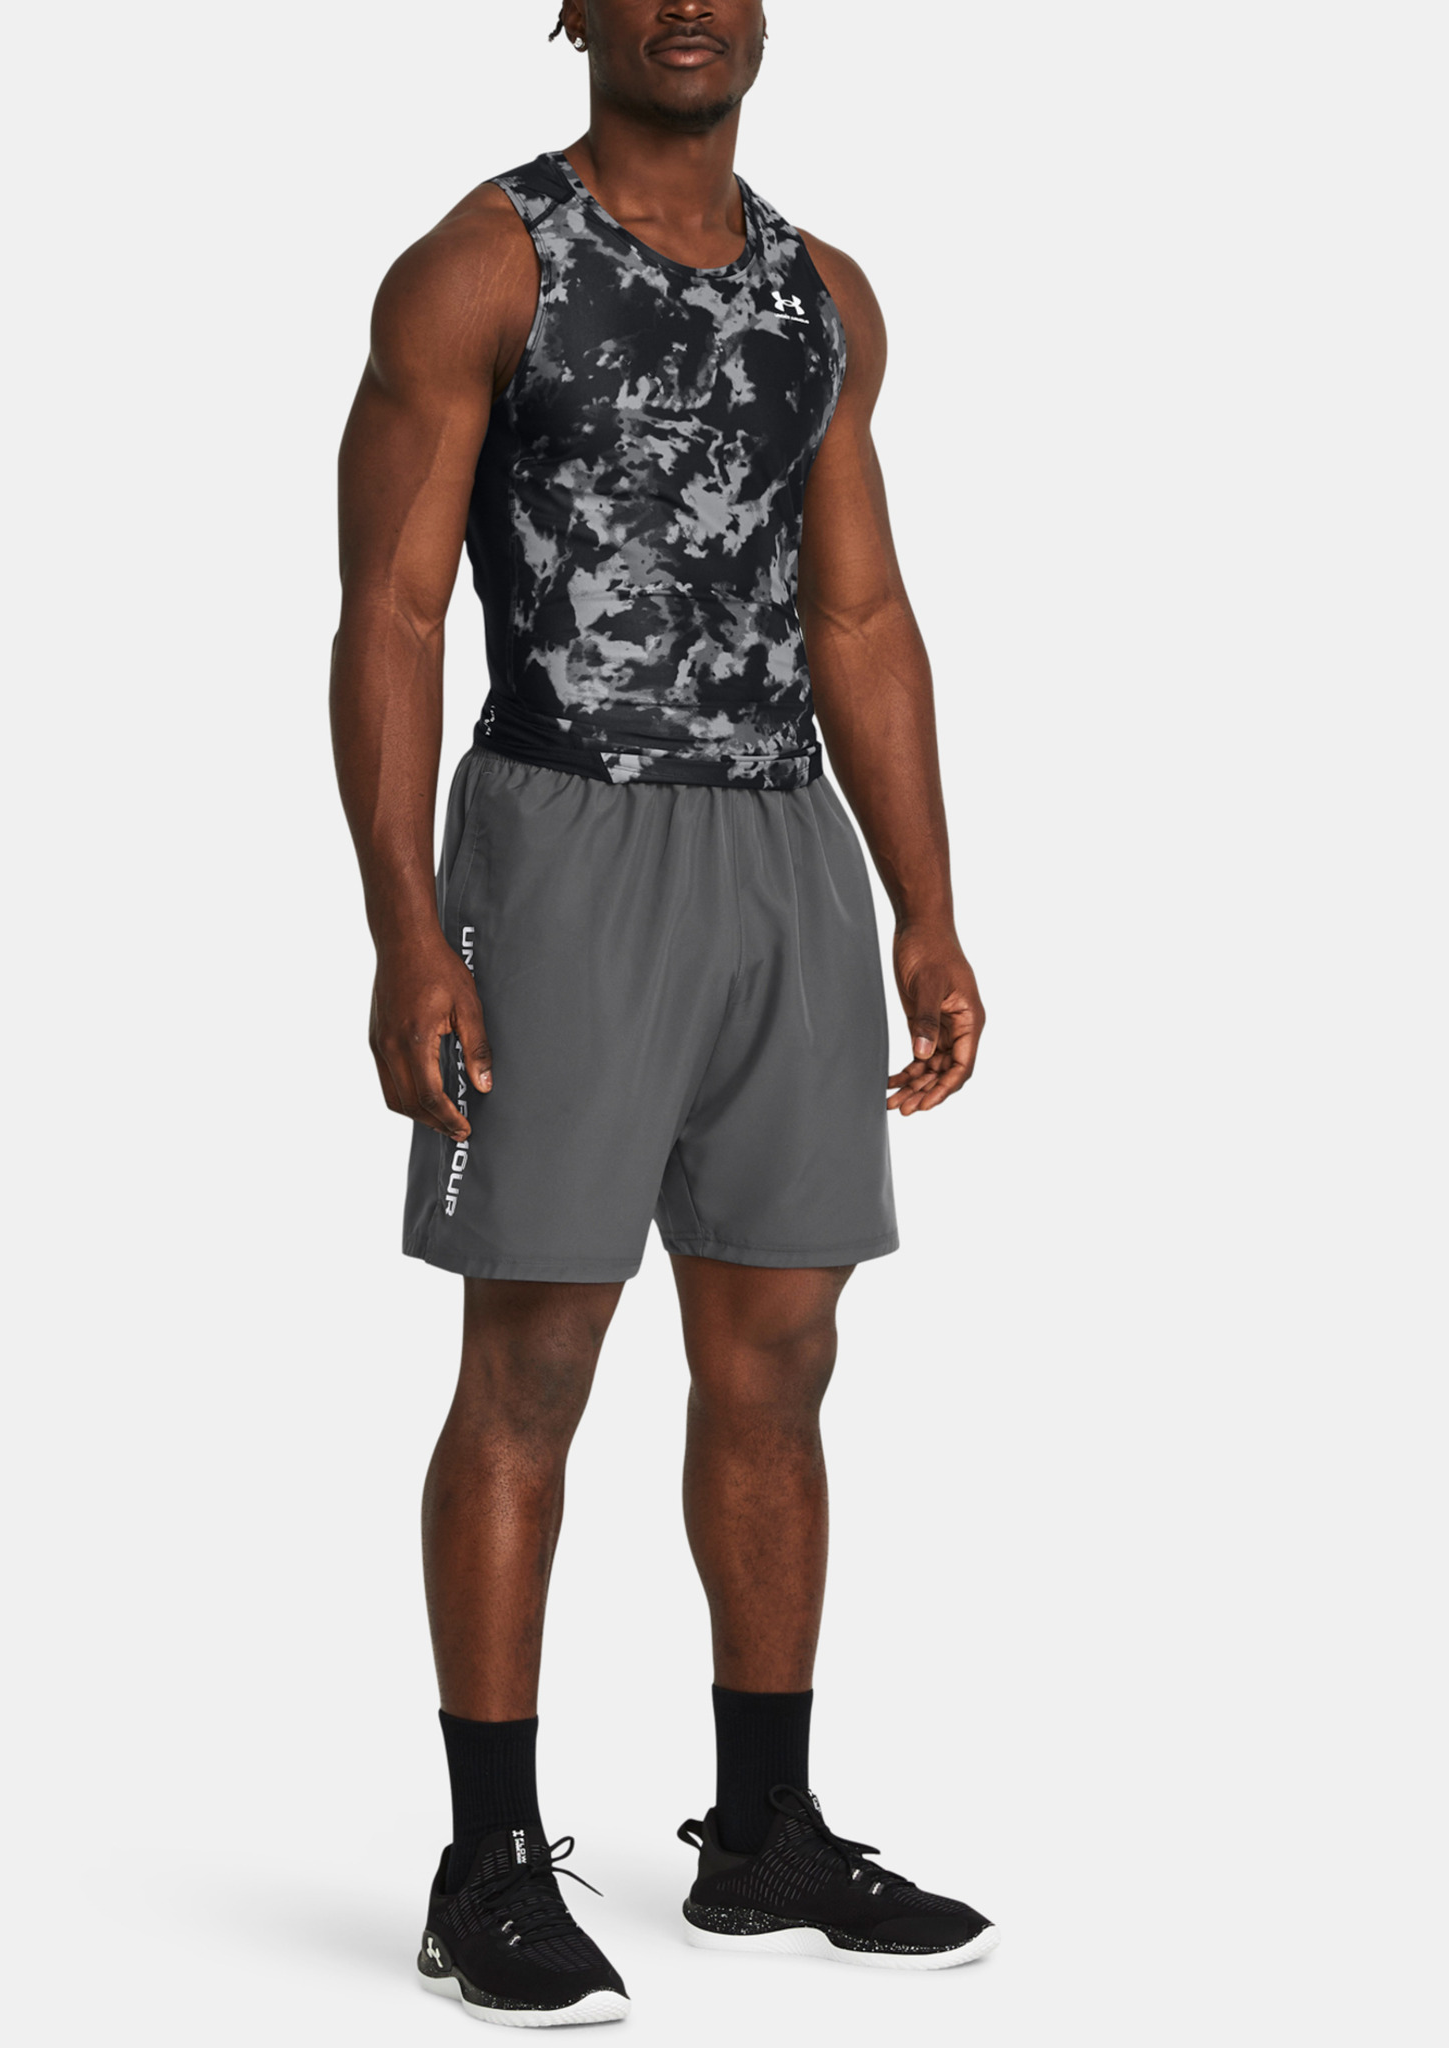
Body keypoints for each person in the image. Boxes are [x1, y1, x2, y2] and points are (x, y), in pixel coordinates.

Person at [331, 0, 994, 2024]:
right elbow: (392, 613)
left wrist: (927, 909)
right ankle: (484, 1866)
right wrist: (409, 930)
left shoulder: (823, 292)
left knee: (781, 1351)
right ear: (577, 10)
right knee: (533, 1356)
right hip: (565, 835)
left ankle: (763, 1833)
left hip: (783, 846)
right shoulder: (482, 266)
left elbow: (858, 610)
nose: (690, 4)